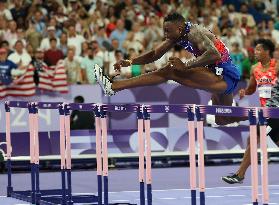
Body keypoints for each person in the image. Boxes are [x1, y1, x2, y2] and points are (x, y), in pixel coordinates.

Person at [94, 12, 240, 125]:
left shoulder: (195, 33)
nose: (165, 35)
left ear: (180, 28)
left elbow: (214, 54)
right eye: (164, 31)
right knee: (222, 119)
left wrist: (186, 65)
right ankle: (261, 119)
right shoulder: (177, 34)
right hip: (215, 74)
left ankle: (114, 86)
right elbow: (155, 54)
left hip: (224, 75)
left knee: (169, 71)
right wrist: (131, 61)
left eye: (168, 31)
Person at [222, 39, 279, 184]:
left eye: (259, 50)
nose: (255, 52)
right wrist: (245, 92)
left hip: (275, 112)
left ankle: (239, 174)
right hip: (266, 112)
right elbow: (252, 88)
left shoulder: (277, 66)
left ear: (267, 52)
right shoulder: (255, 68)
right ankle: (239, 174)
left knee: (253, 138)